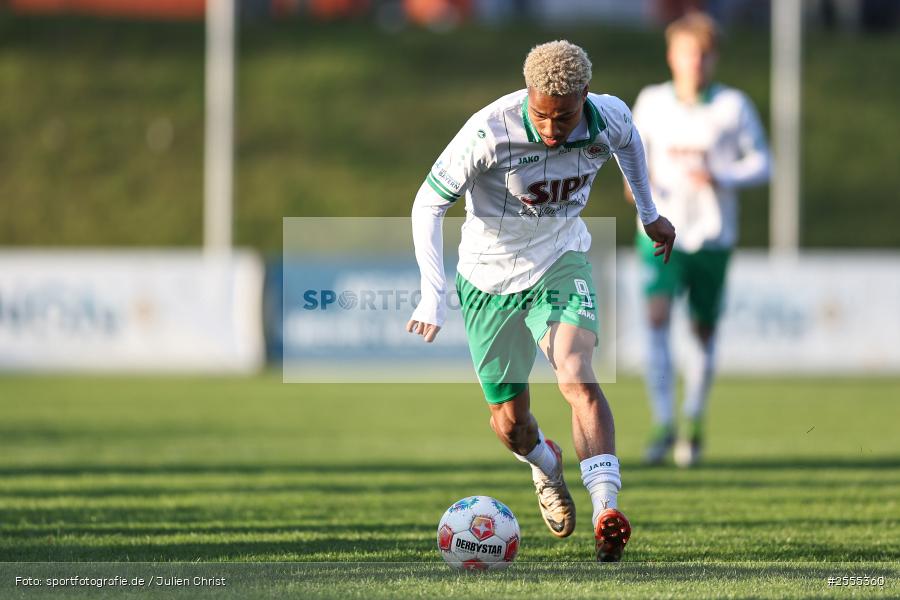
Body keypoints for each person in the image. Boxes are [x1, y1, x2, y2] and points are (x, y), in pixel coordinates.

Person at [406, 40, 676, 561]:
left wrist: (648, 213)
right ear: (526, 96)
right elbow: (428, 202)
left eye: (565, 117)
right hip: (487, 279)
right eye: (542, 117)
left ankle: (605, 510)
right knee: (510, 423)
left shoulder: (609, 116)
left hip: (560, 259)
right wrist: (432, 293)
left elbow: (631, 145)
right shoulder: (489, 131)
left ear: (585, 96)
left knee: (576, 372)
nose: (554, 131)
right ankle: (546, 466)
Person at [627, 12, 770, 467]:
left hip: (711, 235)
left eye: (705, 54)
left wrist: (721, 174)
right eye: (689, 52)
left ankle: (693, 418)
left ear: (714, 58)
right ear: (672, 56)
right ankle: (662, 421)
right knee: (656, 316)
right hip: (659, 231)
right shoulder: (650, 102)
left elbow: (762, 163)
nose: (696, 62)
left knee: (702, 328)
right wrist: (635, 185)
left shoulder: (733, 105)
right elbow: (630, 154)